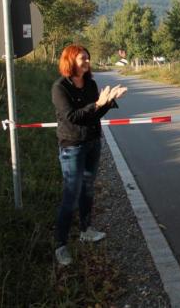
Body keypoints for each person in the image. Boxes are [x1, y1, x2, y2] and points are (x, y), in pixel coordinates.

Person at [51, 44, 127, 266]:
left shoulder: (90, 83)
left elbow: (95, 115)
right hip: (72, 146)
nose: (87, 61)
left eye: (87, 58)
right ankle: (60, 245)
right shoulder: (60, 87)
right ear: (70, 61)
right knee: (71, 195)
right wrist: (98, 103)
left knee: (88, 188)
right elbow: (72, 117)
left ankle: (86, 230)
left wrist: (108, 101)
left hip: (93, 142)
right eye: (82, 58)